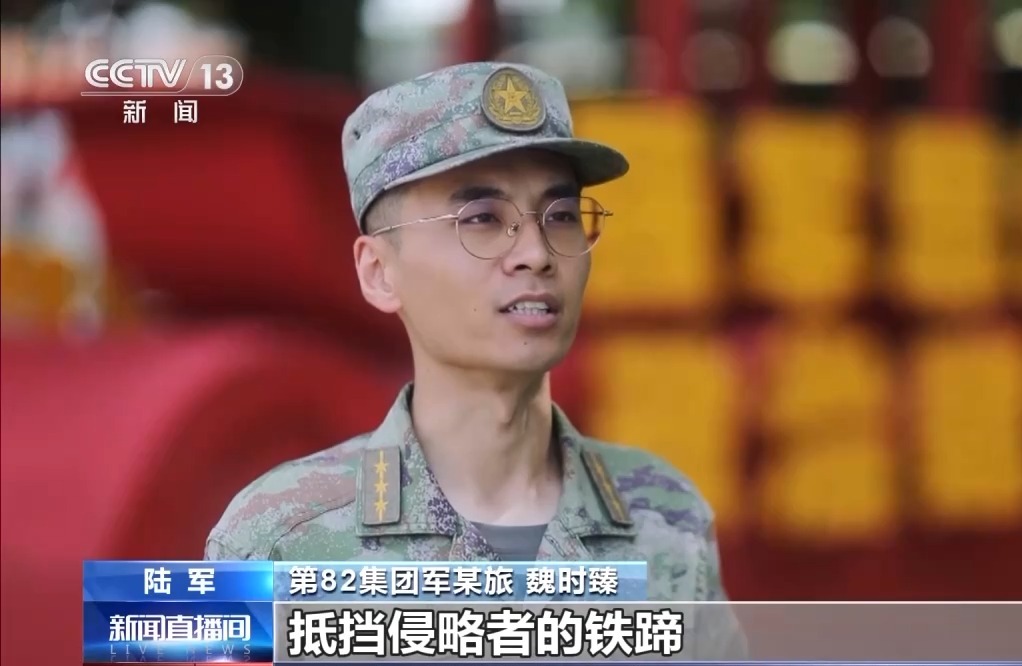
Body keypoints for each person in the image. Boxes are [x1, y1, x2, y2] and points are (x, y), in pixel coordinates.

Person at [204, 62, 746, 655]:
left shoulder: (664, 515)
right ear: (379, 272)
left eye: (562, 216)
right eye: (483, 219)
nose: (537, 253)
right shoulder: (279, 540)